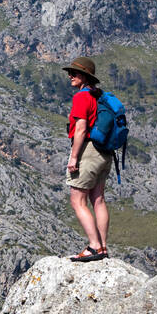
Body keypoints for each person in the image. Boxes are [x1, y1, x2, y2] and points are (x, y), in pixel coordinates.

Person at [62, 57, 114, 262]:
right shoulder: (99, 97)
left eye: (74, 73)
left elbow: (81, 129)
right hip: (105, 154)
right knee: (98, 199)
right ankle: (102, 247)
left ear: (84, 76)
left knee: (77, 200)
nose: (70, 76)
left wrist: (74, 157)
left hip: (89, 152)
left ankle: (93, 246)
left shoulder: (81, 97)